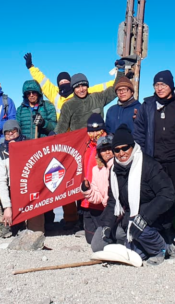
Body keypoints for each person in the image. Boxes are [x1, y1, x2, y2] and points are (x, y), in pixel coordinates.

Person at [133, 70, 175, 251]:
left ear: (171, 85)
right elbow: (139, 133)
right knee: (162, 198)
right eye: (157, 85)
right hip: (156, 161)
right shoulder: (148, 105)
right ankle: (166, 234)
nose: (160, 88)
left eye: (163, 85)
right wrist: (143, 157)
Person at [99, 126, 175, 266]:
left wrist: (144, 218)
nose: (121, 153)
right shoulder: (114, 171)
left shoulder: (148, 165)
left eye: (125, 148)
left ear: (132, 147)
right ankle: (147, 245)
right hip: (132, 217)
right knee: (106, 246)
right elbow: (113, 201)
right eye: (117, 150)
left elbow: (167, 194)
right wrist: (107, 225)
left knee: (139, 232)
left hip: (155, 217)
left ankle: (161, 248)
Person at [56, 67, 119, 228]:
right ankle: (76, 218)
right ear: (73, 88)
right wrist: (51, 138)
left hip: (100, 148)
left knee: (100, 180)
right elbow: (61, 129)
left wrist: (122, 71)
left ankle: (104, 215)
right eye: (77, 86)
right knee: (79, 181)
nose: (81, 89)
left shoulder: (97, 98)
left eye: (83, 85)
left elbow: (115, 89)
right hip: (79, 149)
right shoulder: (69, 105)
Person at [0, 120, 45, 238]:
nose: (11, 134)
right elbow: (0, 181)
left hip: (29, 189)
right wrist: (7, 206)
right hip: (10, 187)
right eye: (7, 133)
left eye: (14, 131)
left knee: (36, 233)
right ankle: (5, 224)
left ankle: (23, 223)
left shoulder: (30, 145)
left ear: (19, 131)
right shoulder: (1, 151)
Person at [24, 52, 115, 116]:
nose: (64, 84)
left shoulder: (81, 91)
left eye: (66, 82)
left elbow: (102, 87)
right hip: (64, 135)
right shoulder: (54, 94)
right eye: (61, 82)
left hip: (79, 133)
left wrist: (119, 80)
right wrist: (31, 67)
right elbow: (42, 81)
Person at [79, 114, 110, 243]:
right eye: (91, 131)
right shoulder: (87, 145)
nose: (94, 134)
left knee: (102, 237)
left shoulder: (107, 146)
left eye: (97, 130)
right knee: (90, 238)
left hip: (101, 197)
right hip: (88, 197)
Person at [82, 134, 114, 251]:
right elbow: (97, 198)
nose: (107, 152)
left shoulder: (119, 167)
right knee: (93, 242)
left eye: (109, 149)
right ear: (99, 153)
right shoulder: (96, 170)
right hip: (106, 210)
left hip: (119, 212)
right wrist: (87, 190)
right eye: (103, 150)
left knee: (116, 236)